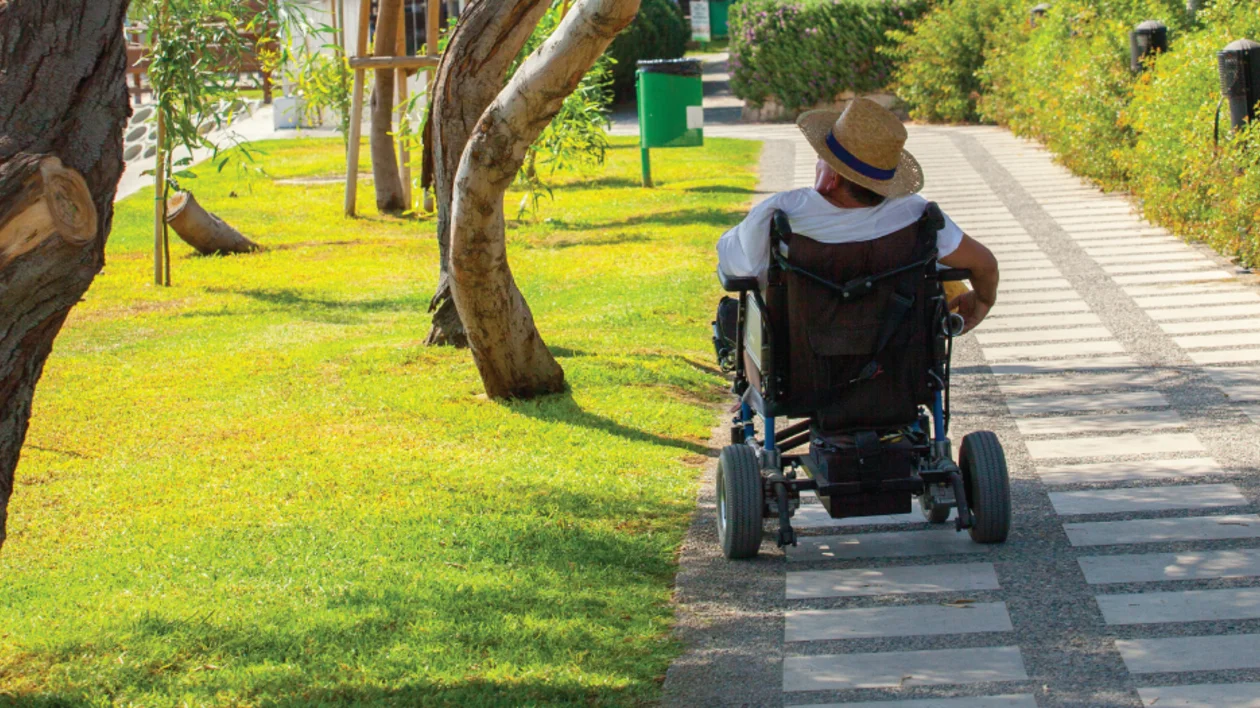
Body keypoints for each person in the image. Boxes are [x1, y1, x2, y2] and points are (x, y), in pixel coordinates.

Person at [717, 98, 999, 335]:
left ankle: (749, 393)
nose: (816, 163)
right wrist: (982, 301)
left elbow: (735, 268)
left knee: (746, 313)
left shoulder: (783, 213)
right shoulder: (916, 214)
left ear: (833, 177)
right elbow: (984, 263)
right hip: (897, 366)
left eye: (822, 158)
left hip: (801, 363)